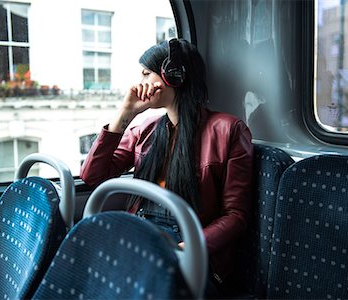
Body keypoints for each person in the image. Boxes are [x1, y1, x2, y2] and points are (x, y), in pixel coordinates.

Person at [80, 38, 254, 298]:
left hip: (189, 239)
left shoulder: (228, 129)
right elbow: (92, 175)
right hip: (142, 229)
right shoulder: (145, 129)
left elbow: (236, 215)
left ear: (172, 76)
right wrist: (125, 112)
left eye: (146, 74)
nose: (140, 83)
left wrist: (187, 248)